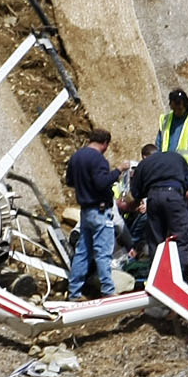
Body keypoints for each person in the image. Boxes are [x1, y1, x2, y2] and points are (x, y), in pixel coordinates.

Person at [128, 139, 188, 278]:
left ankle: (159, 279)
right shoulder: (176, 157)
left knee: (156, 241)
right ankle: (181, 278)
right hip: (174, 196)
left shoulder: (144, 164)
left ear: (145, 155)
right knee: (181, 238)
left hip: (153, 198)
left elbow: (136, 193)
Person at [64, 129, 118, 300]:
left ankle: (74, 292)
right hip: (100, 211)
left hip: (85, 211)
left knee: (82, 252)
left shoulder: (76, 157)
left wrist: (85, 185)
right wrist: (118, 171)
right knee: (103, 252)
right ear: (105, 143)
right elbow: (102, 183)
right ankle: (108, 290)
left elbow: (70, 181)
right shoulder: (99, 159)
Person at [155, 88, 188, 181]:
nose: (176, 111)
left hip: (187, 174)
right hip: (166, 172)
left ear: (185, 105)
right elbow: (158, 145)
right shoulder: (165, 120)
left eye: (179, 108)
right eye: (174, 109)